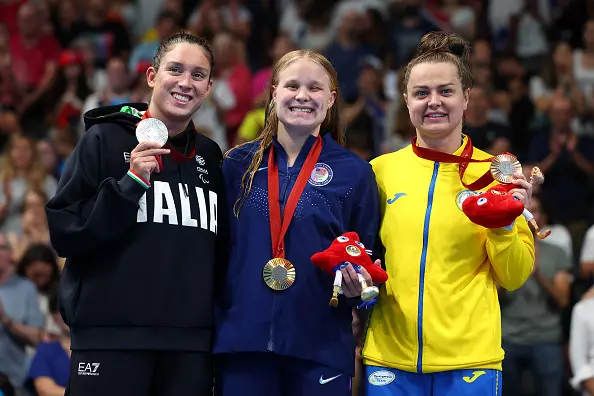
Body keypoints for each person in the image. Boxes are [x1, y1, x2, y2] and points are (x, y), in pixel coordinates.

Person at [44, 31, 227, 396]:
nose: (185, 83)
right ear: (152, 76)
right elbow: (65, 231)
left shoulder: (210, 155)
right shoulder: (104, 140)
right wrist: (129, 184)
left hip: (189, 348)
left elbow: (218, 253)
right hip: (109, 339)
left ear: (208, 89)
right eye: (175, 69)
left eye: (197, 75)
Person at [361, 32, 536, 396]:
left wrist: (504, 225)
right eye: (421, 93)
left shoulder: (497, 174)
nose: (434, 102)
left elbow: (515, 276)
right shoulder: (379, 172)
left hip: (470, 364)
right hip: (390, 361)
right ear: (406, 100)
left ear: (466, 97)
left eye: (446, 91)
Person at [214, 49, 381, 396]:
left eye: (315, 88)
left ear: (332, 99)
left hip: (320, 350)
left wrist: (356, 292)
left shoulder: (355, 173)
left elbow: (366, 261)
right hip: (244, 348)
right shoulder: (237, 166)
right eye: (292, 85)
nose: (303, 96)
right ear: (274, 92)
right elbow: (218, 257)